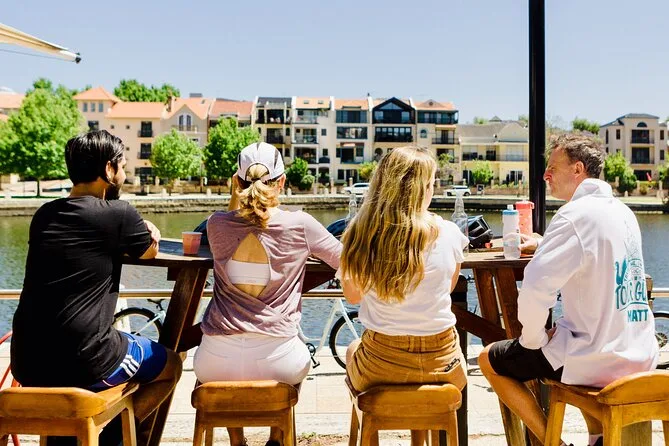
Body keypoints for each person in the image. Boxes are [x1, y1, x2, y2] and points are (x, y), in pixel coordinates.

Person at [478, 133, 658, 446]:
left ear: (577, 169)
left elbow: (536, 286)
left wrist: (533, 340)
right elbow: (596, 253)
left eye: (552, 167)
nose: (545, 175)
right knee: (567, 338)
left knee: (488, 359)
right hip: (640, 355)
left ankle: (554, 444)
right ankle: (598, 440)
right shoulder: (623, 212)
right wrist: (544, 244)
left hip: (598, 359)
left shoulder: (574, 215)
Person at [11, 130, 182, 446]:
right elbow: (148, 252)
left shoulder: (44, 215)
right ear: (108, 169)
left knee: (69, 371)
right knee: (170, 365)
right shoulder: (119, 214)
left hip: (27, 363)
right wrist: (149, 230)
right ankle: (111, 441)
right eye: (122, 166)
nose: (125, 174)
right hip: (88, 360)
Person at [194, 141, 341, 446]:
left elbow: (237, 216)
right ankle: (277, 438)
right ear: (282, 182)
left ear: (236, 183)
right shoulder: (301, 224)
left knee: (218, 372)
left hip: (214, 362)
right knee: (301, 362)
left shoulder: (215, 224)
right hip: (279, 360)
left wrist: (238, 193)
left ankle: (237, 442)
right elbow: (346, 259)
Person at [339, 146, 469, 446]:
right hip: (443, 368)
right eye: (432, 183)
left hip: (381, 368)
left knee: (353, 349)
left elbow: (353, 296)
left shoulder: (361, 233)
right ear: (423, 188)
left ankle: (368, 435)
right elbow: (448, 288)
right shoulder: (449, 232)